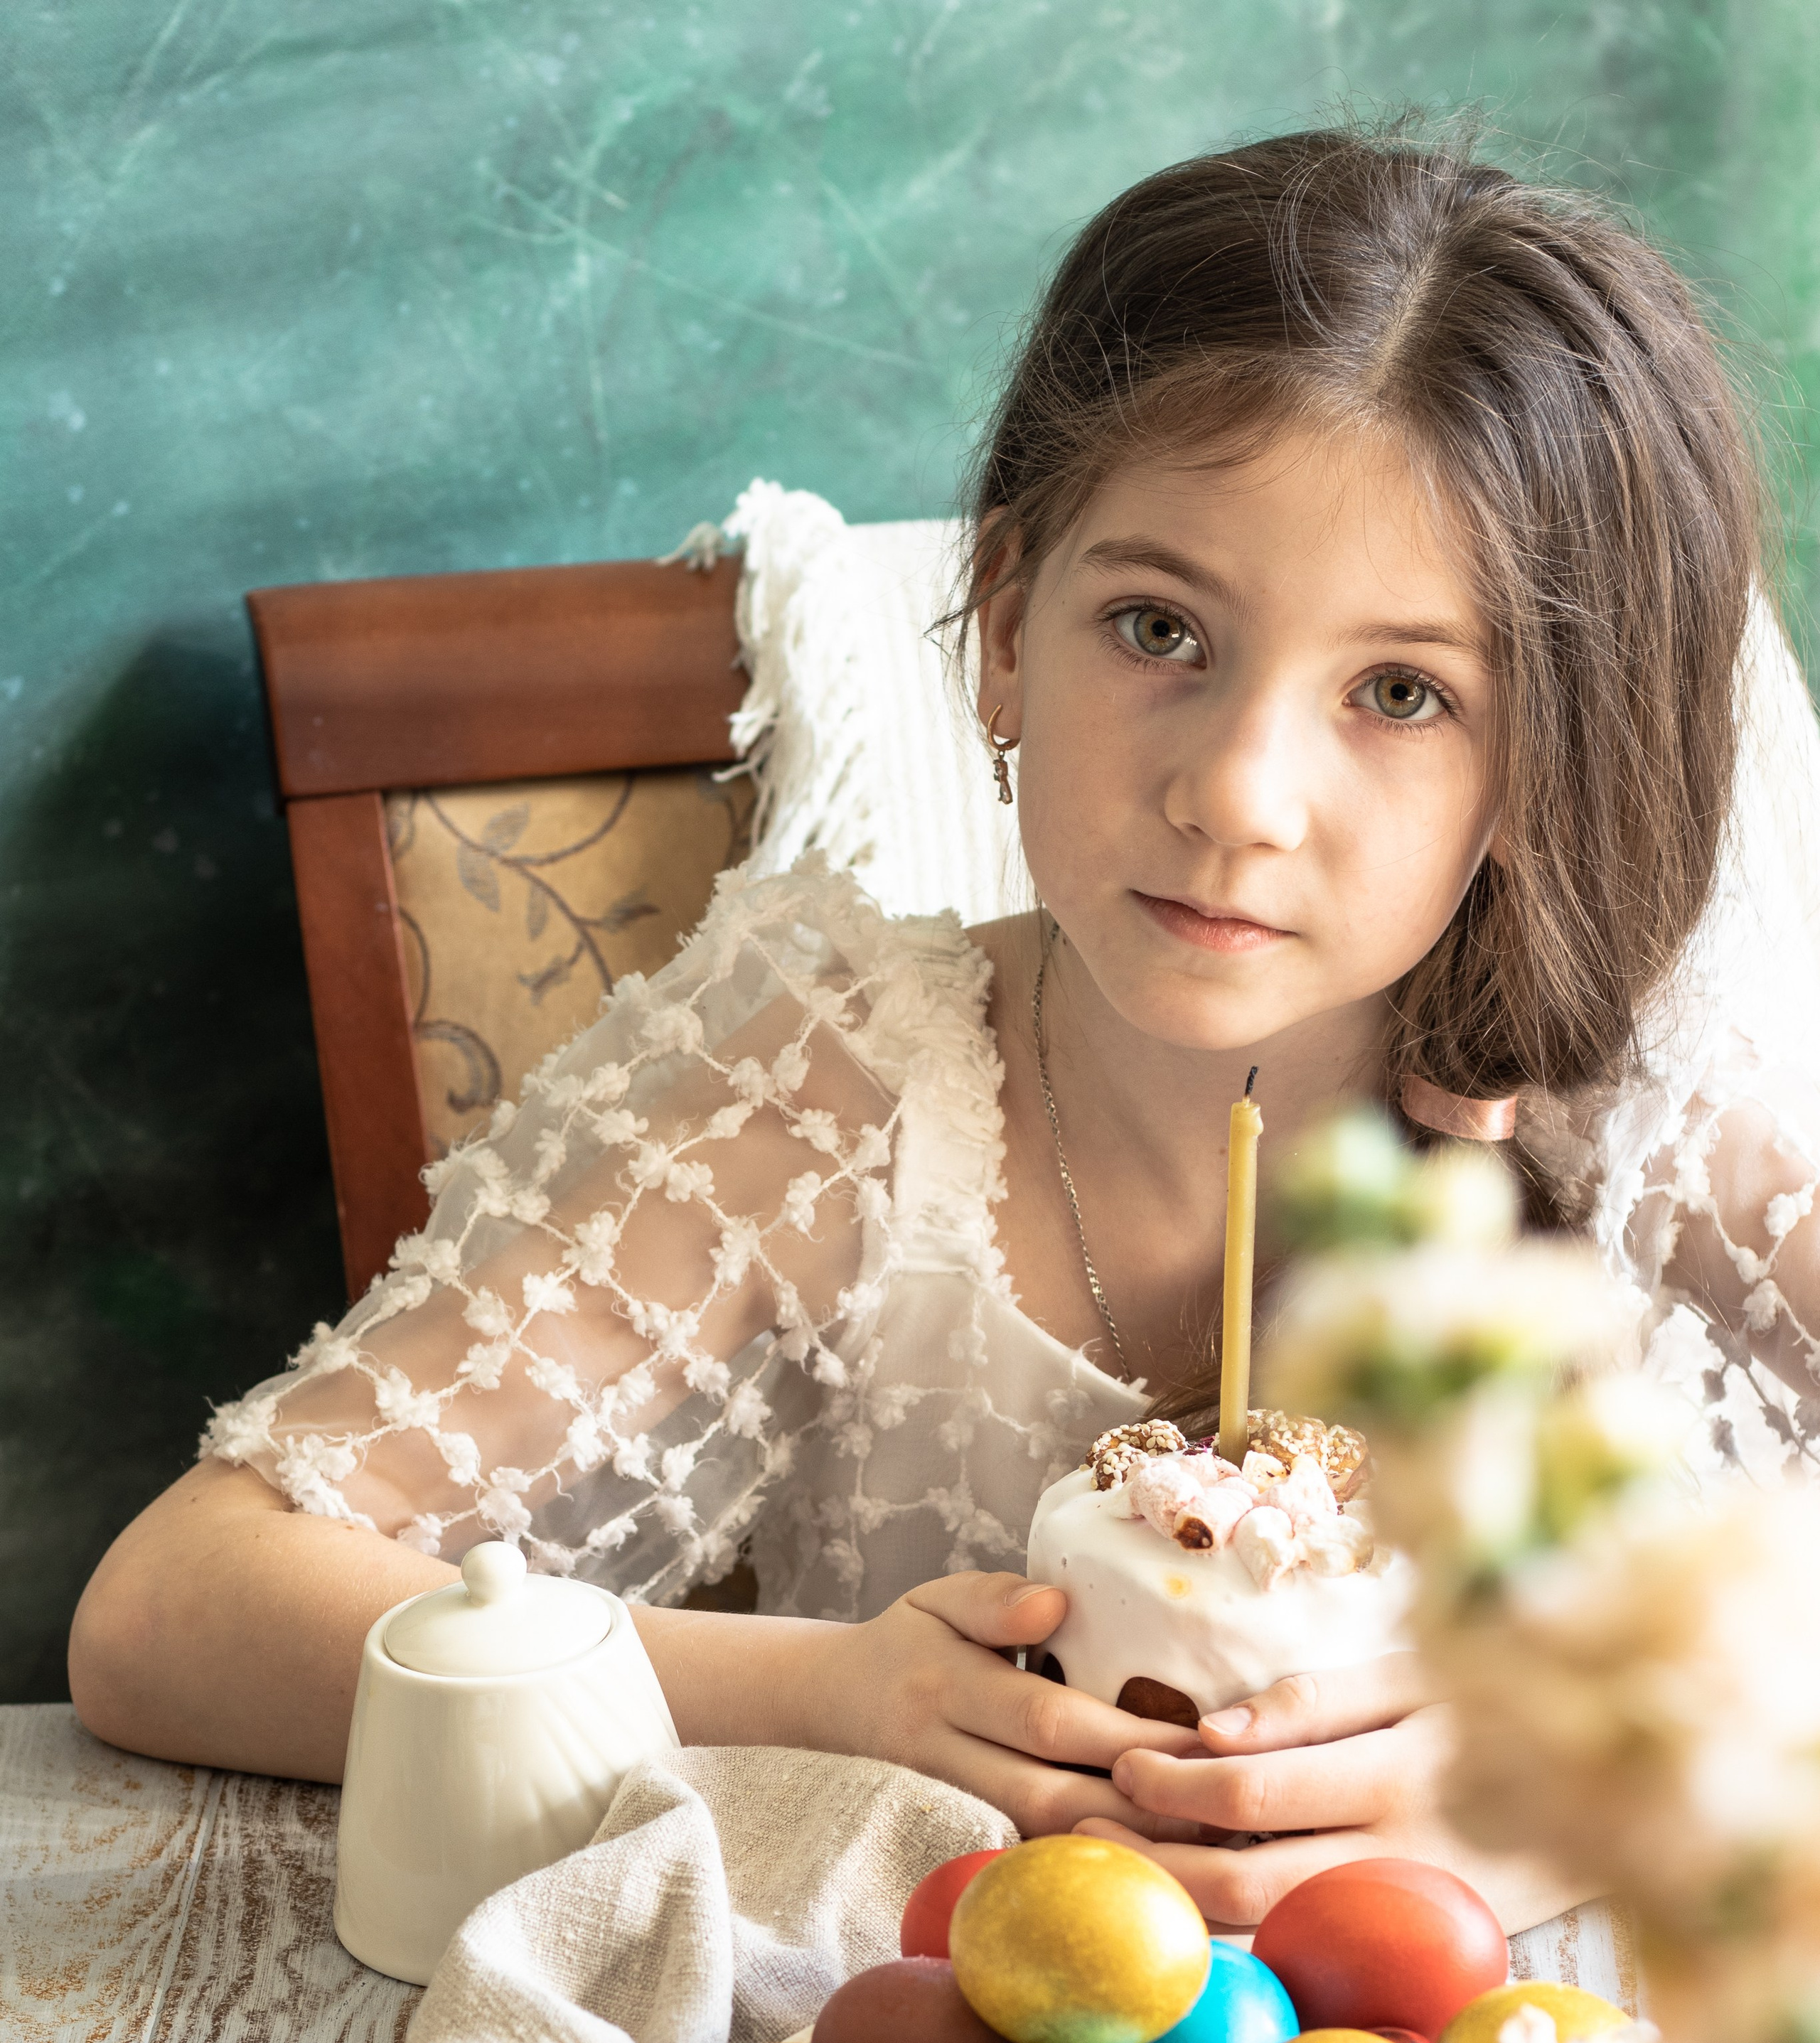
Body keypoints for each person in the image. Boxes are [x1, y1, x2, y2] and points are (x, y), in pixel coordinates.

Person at [70, 124, 1819, 1939]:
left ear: (1546, 750)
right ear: (998, 628)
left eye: (1398, 691)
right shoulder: (844, 1088)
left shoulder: (1641, 1097)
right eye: (1157, 627)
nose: (1235, 794)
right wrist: (825, 1695)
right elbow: (170, 1615)